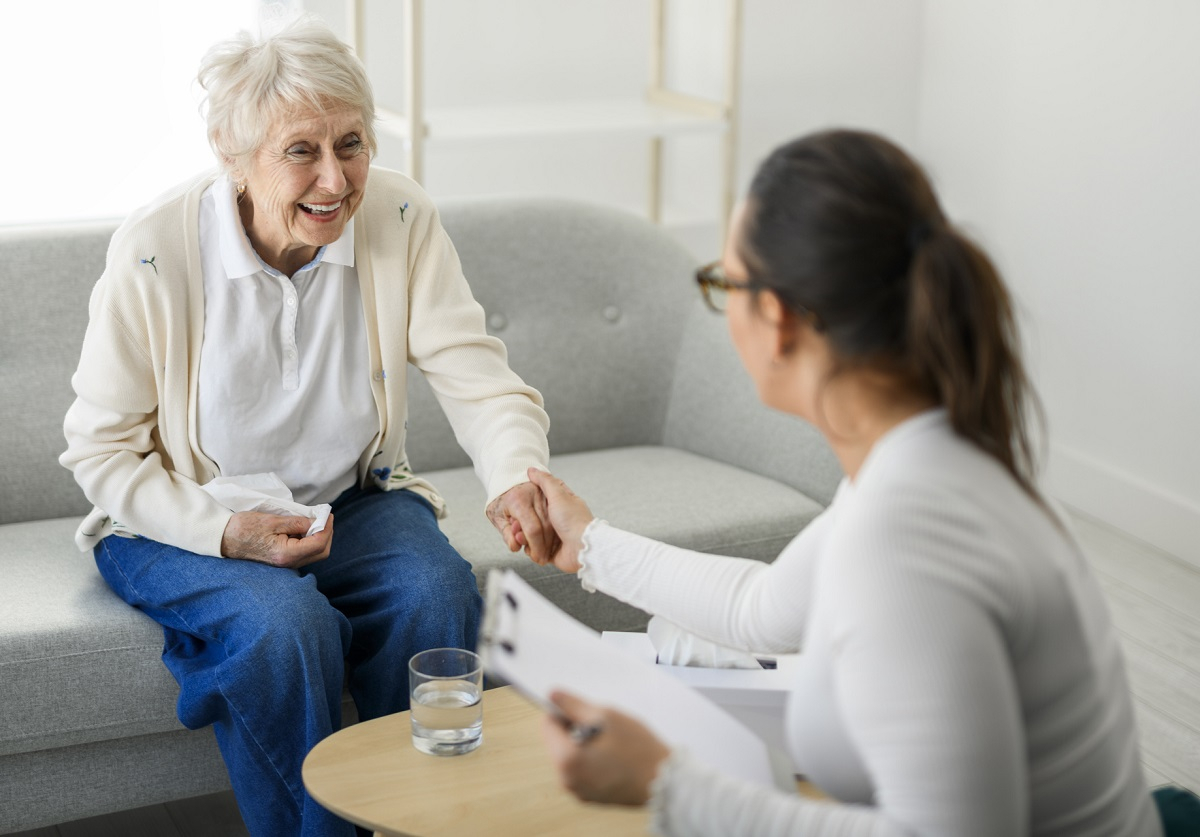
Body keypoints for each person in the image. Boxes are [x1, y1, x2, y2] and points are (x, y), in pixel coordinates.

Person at [523, 130, 1164, 836]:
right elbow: (759, 608)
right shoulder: (920, 461)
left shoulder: (907, 535)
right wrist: (589, 545)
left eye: (724, 283)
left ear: (779, 318)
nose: (722, 306)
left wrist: (666, 783)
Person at [59, 15, 554, 837]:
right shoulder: (154, 250)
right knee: (282, 625)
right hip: (180, 517)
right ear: (233, 154)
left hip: (346, 502)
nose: (336, 179)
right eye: (301, 151)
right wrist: (226, 532)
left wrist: (515, 475)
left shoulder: (399, 217)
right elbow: (100, 450)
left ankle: (433, 823)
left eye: (352, 143)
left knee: (436, 590)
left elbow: (479, 376)